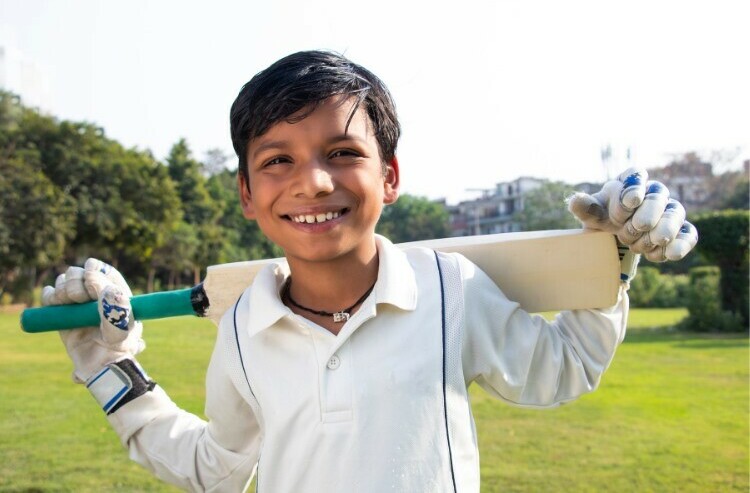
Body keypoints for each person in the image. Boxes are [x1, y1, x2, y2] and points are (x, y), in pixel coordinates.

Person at [43, 50, 698, 492]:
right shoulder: (242, 327)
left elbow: (564, 368)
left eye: (341, 151)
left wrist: (611, 260)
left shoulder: (449, 290)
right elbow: (216, 467)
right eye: (278, 161)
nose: (314, 182)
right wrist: (112, 371)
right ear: (246, 193)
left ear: (389, 176)